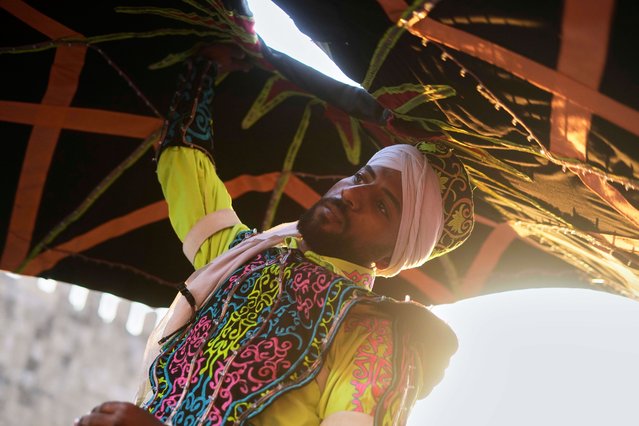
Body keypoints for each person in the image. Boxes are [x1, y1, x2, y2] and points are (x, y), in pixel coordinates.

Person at [74, 4, 474, 426]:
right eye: (362, 176)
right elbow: (182, 163)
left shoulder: (371, 337)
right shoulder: (237, 258)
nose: (354, 194)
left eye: (382, 206)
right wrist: (203, 71)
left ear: (393, 255)